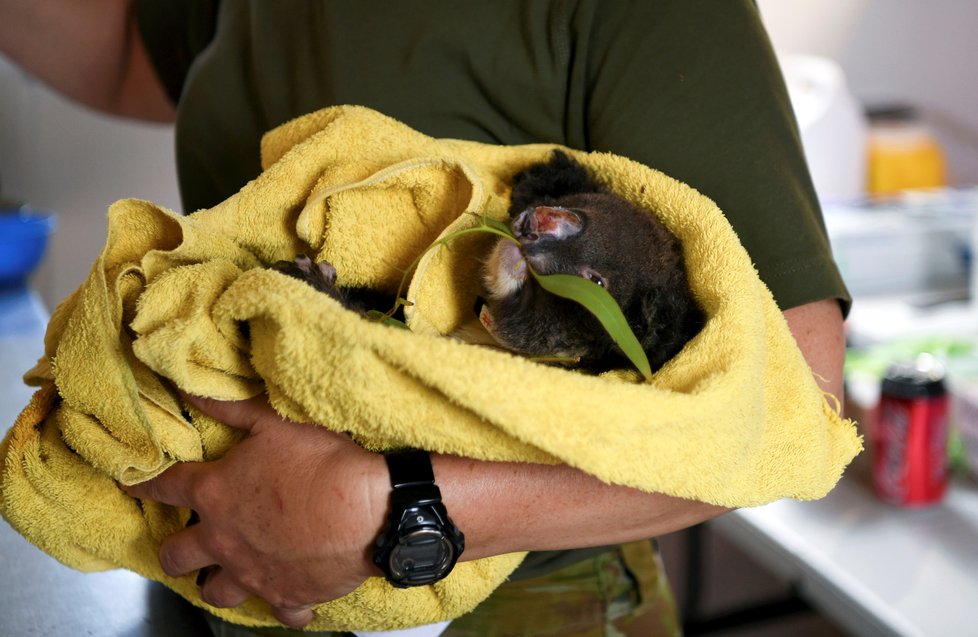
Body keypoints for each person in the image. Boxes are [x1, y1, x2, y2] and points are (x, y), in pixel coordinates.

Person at [0, 1, 850, 635]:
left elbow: (793, 399)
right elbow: (122, 60)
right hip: (221, 554)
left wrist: (391, 509)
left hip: (515, 597)